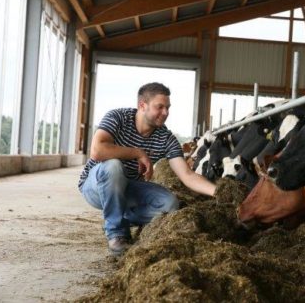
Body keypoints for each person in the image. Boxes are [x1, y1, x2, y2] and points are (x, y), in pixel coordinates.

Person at [78, 82, 216, 255]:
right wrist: (138, 153)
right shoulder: (118, 117)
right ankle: (116, 234)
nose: (165, 113)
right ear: (142, 105)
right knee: (113, 166)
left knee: (170, 204)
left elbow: (187, 175)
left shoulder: (165, 137)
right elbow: (97, 151)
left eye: (167, 108)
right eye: (160, 107)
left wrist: (218, 191)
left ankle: (119, 218)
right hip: (96, 185)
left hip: (128, 187)